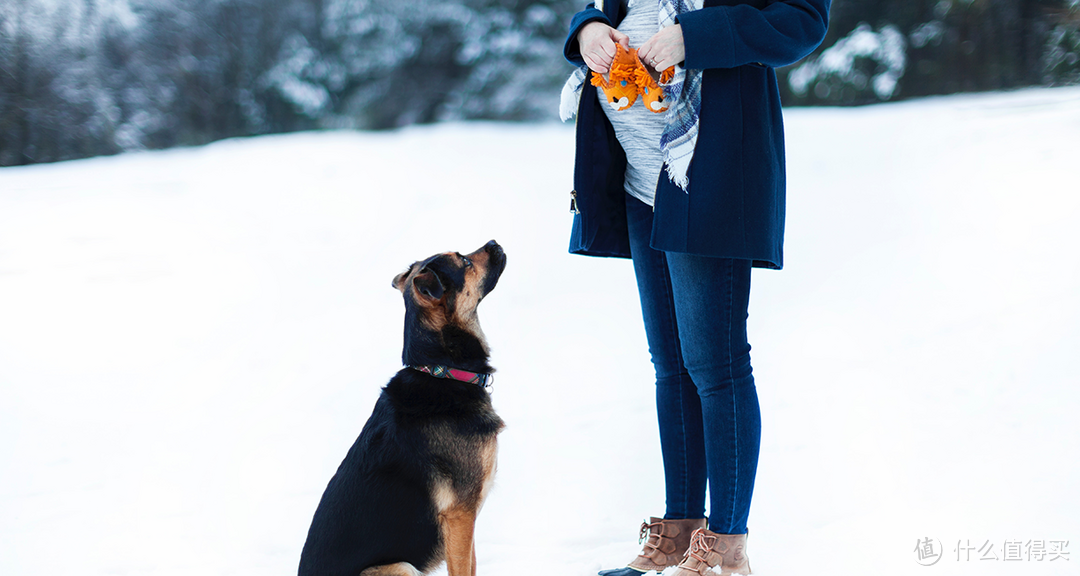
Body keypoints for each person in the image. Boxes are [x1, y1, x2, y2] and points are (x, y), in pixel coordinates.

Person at [560, 1, 830, 574]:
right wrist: (586, 30)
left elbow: (802, 20)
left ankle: (726, 548)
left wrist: (694, 37)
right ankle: (681, 530)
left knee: (716, 365)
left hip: (706, 165)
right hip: (636, 168)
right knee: (671, 364)